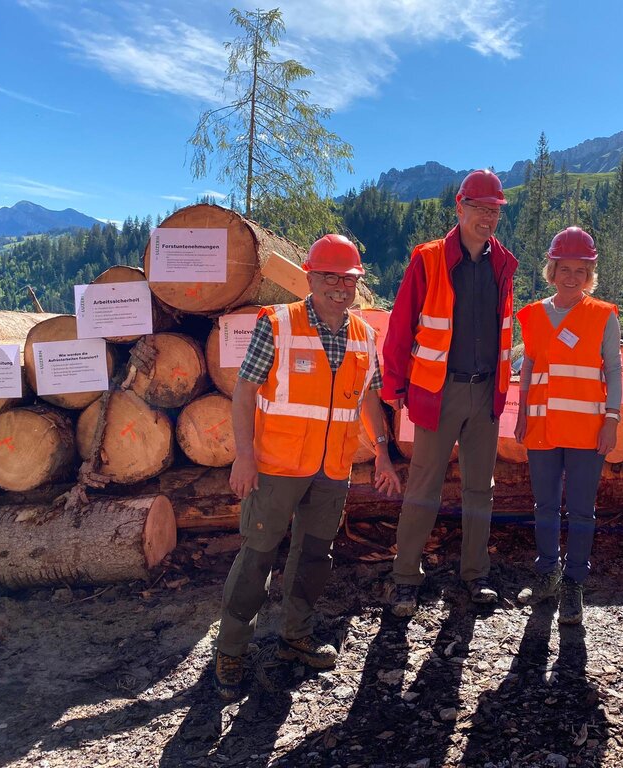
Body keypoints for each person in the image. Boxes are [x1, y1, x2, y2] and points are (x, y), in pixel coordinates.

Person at [214, 234, 402, 701]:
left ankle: (295, 636)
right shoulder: (278, 324)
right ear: (311, 278)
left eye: (348, 279)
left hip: (332, 470)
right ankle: (231, 649)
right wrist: (244, 455)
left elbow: (368, 399)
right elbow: (244, 392)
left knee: (314, 557)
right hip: (276, 467)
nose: (340, 287)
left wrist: (381, 450)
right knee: (257, 555)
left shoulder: (364, 334)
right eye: (329, 277)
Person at [381, 169, 518, 617]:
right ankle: (404, 579)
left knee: (482, 489)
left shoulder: (503, 263)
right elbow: (401, 327)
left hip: (485, 396)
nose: (486, 217)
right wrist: (395, 385)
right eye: (478, 208)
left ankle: (475, 576)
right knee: (424, 487)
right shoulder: (428, 259)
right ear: (459, 208)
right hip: (438, 392)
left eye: (493, 209)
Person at [514, 227, 622, 625]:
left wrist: (612, 420)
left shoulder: (601, 315)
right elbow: (527, 367)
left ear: (590, 274)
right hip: (542, 429)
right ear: (552, 269)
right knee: (544, 506)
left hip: (587, 429)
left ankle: (574, 583)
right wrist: (522, 413)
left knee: (580, 510)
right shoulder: (534, 315)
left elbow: (613, 369)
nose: (572, 277)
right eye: (565, 268)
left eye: (581, 270)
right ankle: (547, 574)